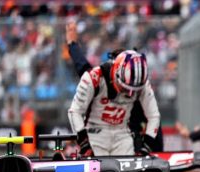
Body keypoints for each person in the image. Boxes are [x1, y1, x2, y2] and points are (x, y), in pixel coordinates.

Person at [65, 22, 164, 153]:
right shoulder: (94, 78)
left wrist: (148, 146)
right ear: (116, 73)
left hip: (124, 134)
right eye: (125, 88)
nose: (130, 93)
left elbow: (154, 116)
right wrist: (84, 143)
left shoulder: (141, 82)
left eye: (135, 90)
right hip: (95, 133)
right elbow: (75, 111)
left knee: (134, 171)